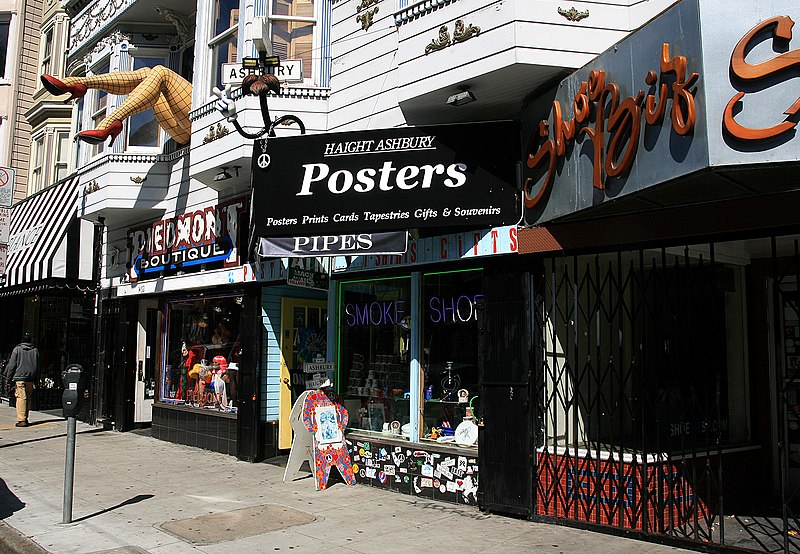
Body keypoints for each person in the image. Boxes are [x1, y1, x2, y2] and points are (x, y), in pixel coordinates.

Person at [40, 67, 193, 146]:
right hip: (185, 127)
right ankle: (79, 83)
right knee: (148, 73)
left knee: (161, 73)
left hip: (203, 122)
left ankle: (76, 84)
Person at [4, 333, 40, 427]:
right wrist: (36, 378)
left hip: (20, 377)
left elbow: (12, 365)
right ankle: (25, 417)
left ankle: (21, 419)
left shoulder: (17, 349)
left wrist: (9, 377)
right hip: (30, 378)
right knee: (27, 398)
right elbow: (37, 365)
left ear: (22, 340)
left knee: (21, 398)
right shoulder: (35, 350)